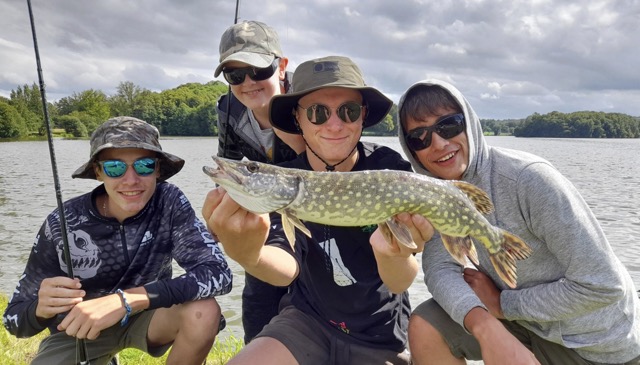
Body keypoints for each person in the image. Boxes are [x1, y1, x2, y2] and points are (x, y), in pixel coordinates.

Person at [203, 56, 428, 364]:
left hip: (381, 332)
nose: (334, 125)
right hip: (307, 323)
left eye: (348, 112)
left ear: (363, 116)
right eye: (318, 113)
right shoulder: (285, 182)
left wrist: (397, 254)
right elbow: (286, 269)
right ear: (298, 119)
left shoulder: (388, 169)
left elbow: (400, 282)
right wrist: (247, 253)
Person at [396, 79, 640, 365]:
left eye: (449, 125)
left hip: (595, 344)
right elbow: (439, 268)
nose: (438, 143)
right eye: (419, 137)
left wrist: (502, 305)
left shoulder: (528, 179)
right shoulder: (437, 190)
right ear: (412, 150)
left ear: (469, 123)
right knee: (427, 324)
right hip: (525, 324)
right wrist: (484, 326)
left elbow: (603, 286)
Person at [2, 116, 233, 365]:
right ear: (99, 172)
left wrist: (125, 301)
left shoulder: (169, 201)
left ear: (157, 169)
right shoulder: (63, 221)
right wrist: (40, 309)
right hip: (80, 331)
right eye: (115, 167)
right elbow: (13, 321)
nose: (131, 180)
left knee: (203, 312)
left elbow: (218, 274)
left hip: (148, 315)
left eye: (144, 166)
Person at [213, 20, 305, 344]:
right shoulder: (228, 109)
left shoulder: (307, 101)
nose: (247, 82)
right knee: (257, 303)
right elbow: (227, 163)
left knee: (311, 298)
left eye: (258, 70)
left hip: (310, 203)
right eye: (235, 75)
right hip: (267, 205)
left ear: (281, 66)